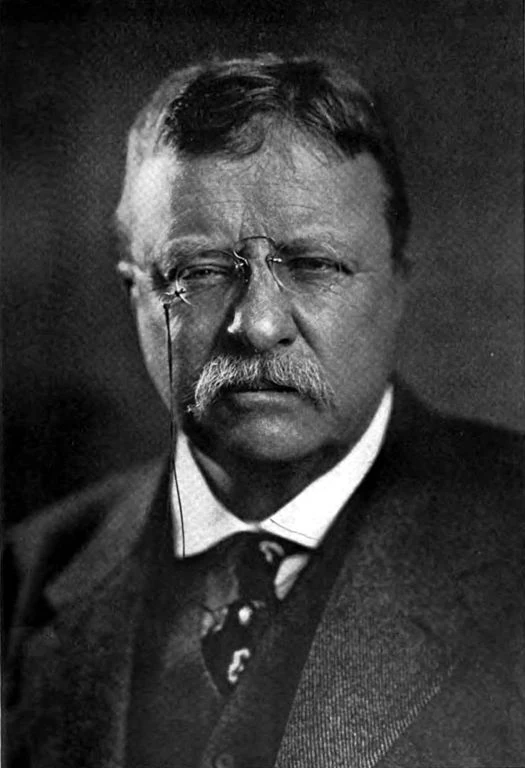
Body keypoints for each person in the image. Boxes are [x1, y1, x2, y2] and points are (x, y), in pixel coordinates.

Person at [5, 54, 524, 768]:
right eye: (199, 271)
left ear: (396, 286)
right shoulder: (23, 578)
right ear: (135, 296)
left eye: (314, 265)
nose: (257, 324)